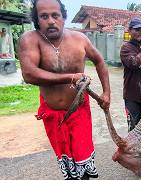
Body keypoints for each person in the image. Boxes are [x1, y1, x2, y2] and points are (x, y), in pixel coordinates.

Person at [18, 0, 110, 179]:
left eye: (55, 15)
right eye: (44, 17)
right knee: (67, 163)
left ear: (63, 17)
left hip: (79, 112)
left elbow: (99, 61)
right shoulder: (30, 40)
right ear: (37, 20)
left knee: (83, 162)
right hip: (52, 115)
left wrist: (106, 93)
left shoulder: (80, 39)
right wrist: (71, 77)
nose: (51, 21)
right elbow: (29, 74)